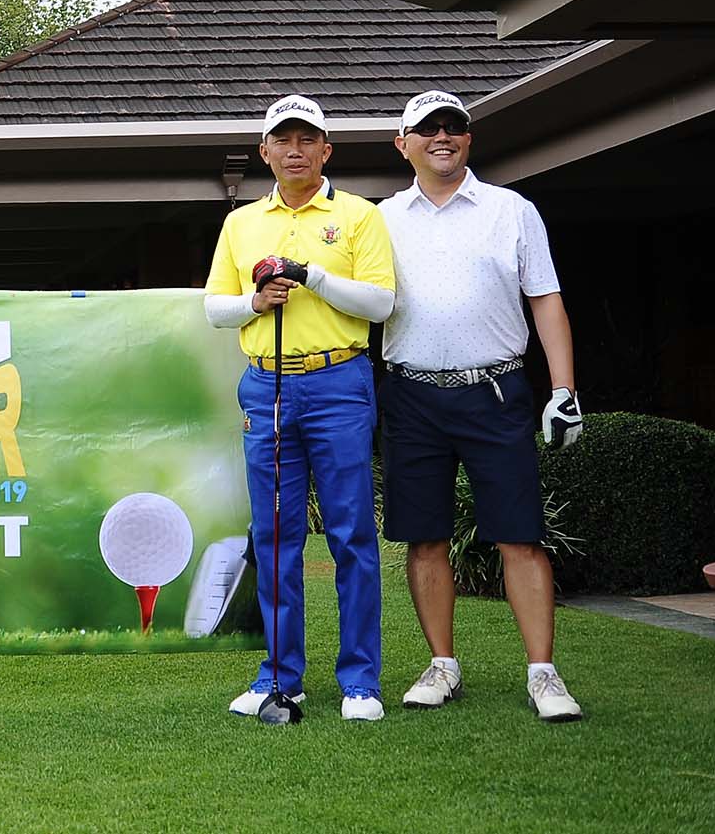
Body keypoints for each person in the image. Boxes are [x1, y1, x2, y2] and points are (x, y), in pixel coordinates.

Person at [378, 90, 585, 723]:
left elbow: (545, 298)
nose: (443, 137)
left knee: (519, 536)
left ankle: (543, 674)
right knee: (424, 538)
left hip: (495, 392)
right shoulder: (381, 218)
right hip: (411, 393)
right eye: (428, 129)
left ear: (468, 139)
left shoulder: (511, 210)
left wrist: (563, 391)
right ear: (403, 144)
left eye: (455, 128)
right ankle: (442, 664)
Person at [205, 94, 396, 722]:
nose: (295, 150)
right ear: (265, 152)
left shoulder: (360, 216)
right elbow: (215, 308)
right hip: (266, 383)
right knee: (276, 534)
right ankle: (280, 676)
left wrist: (311, 275)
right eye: (282, 140)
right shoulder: (240, 224)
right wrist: (255, 304)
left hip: (339, 380)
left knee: (350, 534)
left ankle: (360, 682)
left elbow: (378, 305)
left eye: (307, 139)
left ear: (325, 150)